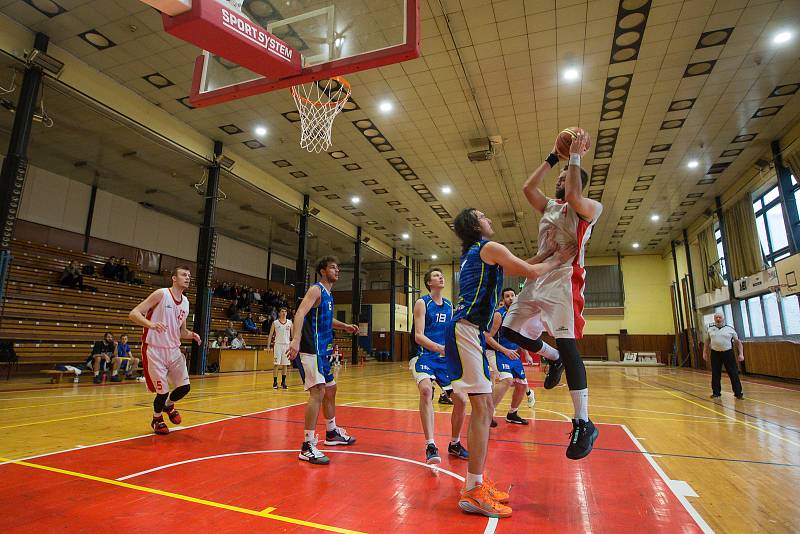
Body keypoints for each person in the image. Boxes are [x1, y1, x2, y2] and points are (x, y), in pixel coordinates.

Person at [447, 207, 574, 518]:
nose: (489, 217)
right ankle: (474, 491)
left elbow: (518, 267)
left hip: (468, 331)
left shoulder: (481, 252)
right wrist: (558, 259)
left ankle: (476, 483)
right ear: (475, 225)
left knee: (486, 408)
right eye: (483, 215)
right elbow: (528, 272)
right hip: (466, 330)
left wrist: (545, 252)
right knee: (482, 408)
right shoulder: (488, 247)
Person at [500, 130, 603, 461]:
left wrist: (575, 157)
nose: (559, 181)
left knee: (570, 345)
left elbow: (574, 195)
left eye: (563, 177)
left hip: (564, 280)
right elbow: (527, 188)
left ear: (574, 179)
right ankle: (552, 356)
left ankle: (583, 421)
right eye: (558, 178)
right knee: (509, 331)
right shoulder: (548, 207)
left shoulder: (588, 207)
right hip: (538, 280)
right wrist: (552, 158)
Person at [287, 256, 359, 465]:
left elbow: (327, 319)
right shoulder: (316, 289)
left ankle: (331, 432)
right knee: (318, 392)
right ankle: (307, 445)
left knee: (331, 389)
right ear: (322, 270)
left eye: (338, 268)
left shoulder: (328, 295)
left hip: (323, 351)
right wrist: (296, 339)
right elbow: (299, 313)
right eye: (333, 268)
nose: (337, 271)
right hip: (311, 349)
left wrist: (344, 326)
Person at [129, 266, 201, 435]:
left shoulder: (186, 302)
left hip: (173, 350)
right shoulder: (161, 294)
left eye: (189, 276)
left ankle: (169, 405)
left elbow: (181, 331)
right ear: (174, 278)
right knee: (162, 392)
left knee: (185, 387)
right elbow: (134, 313)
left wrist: (192, 335)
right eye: (184, 275)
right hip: (155, 350)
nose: (188, 278)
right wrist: (151, 325)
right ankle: (157, 419)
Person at [410, 267, 467, 465]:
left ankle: (455, 443)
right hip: (425, 356)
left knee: (461, 400)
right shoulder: (422, 303)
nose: (440, 277)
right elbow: (418, 335)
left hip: (444, 360)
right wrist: (438, 348)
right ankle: (430, 444)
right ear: (428, 283)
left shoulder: (449, 305)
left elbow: (451, 332)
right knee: (426, 391)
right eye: (435, 275)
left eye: (441, 275)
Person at [485, 288, 533, 426]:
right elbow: (487, 336)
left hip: (512, 353)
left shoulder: (518, 315)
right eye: (507, 296)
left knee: (522, 385)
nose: (510, 298)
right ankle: (487, 413)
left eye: (512, 295)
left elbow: (520, 337)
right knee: (507, 380)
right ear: (503, 299)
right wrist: (504, 350)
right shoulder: (499, 315)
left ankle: (513, 413)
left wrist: (527, 354)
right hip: (497, 351)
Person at [703, 313, 744, 399]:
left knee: (733, 373)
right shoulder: (710, 329)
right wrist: (704, 352)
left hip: (728, 353)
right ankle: (716, 393)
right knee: (715, 373)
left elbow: (738, 342)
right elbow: (707, 341)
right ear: (714, 319)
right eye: (716, 317)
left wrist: (741, 354)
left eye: (720, 317)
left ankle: (738, 393)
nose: (718, 319)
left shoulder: (730, 329)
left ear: (723, 318)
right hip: (715, 354)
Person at [268, 307, 292, 390]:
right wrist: (268, 346)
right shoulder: (275, 323)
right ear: (279, 313)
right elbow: (270, 335)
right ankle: (275, 382)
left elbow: (293, 336)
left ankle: (283, 382)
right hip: (278, 345)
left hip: (287, 345)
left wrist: (292, 346)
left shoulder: (290, 322)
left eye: (285, 311)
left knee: (285, 365)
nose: (284, 313)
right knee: (276, 364)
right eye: (282, 311)